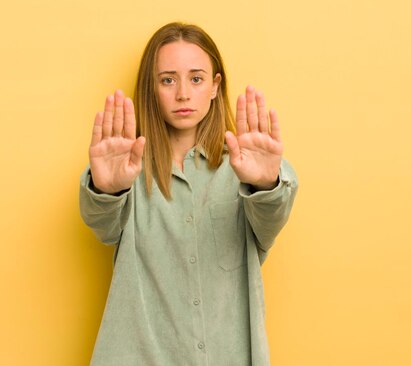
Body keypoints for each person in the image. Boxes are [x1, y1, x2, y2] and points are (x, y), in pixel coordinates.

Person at [79, 22, 298, 366]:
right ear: (151, 88)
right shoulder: (127, 167)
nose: (183, 93)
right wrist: (106, 190)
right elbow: (104, 228)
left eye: (196, 79)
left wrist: (265, 185)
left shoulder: (248, 167)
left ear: (215, 86)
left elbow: (270, 223)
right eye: (168, 79)